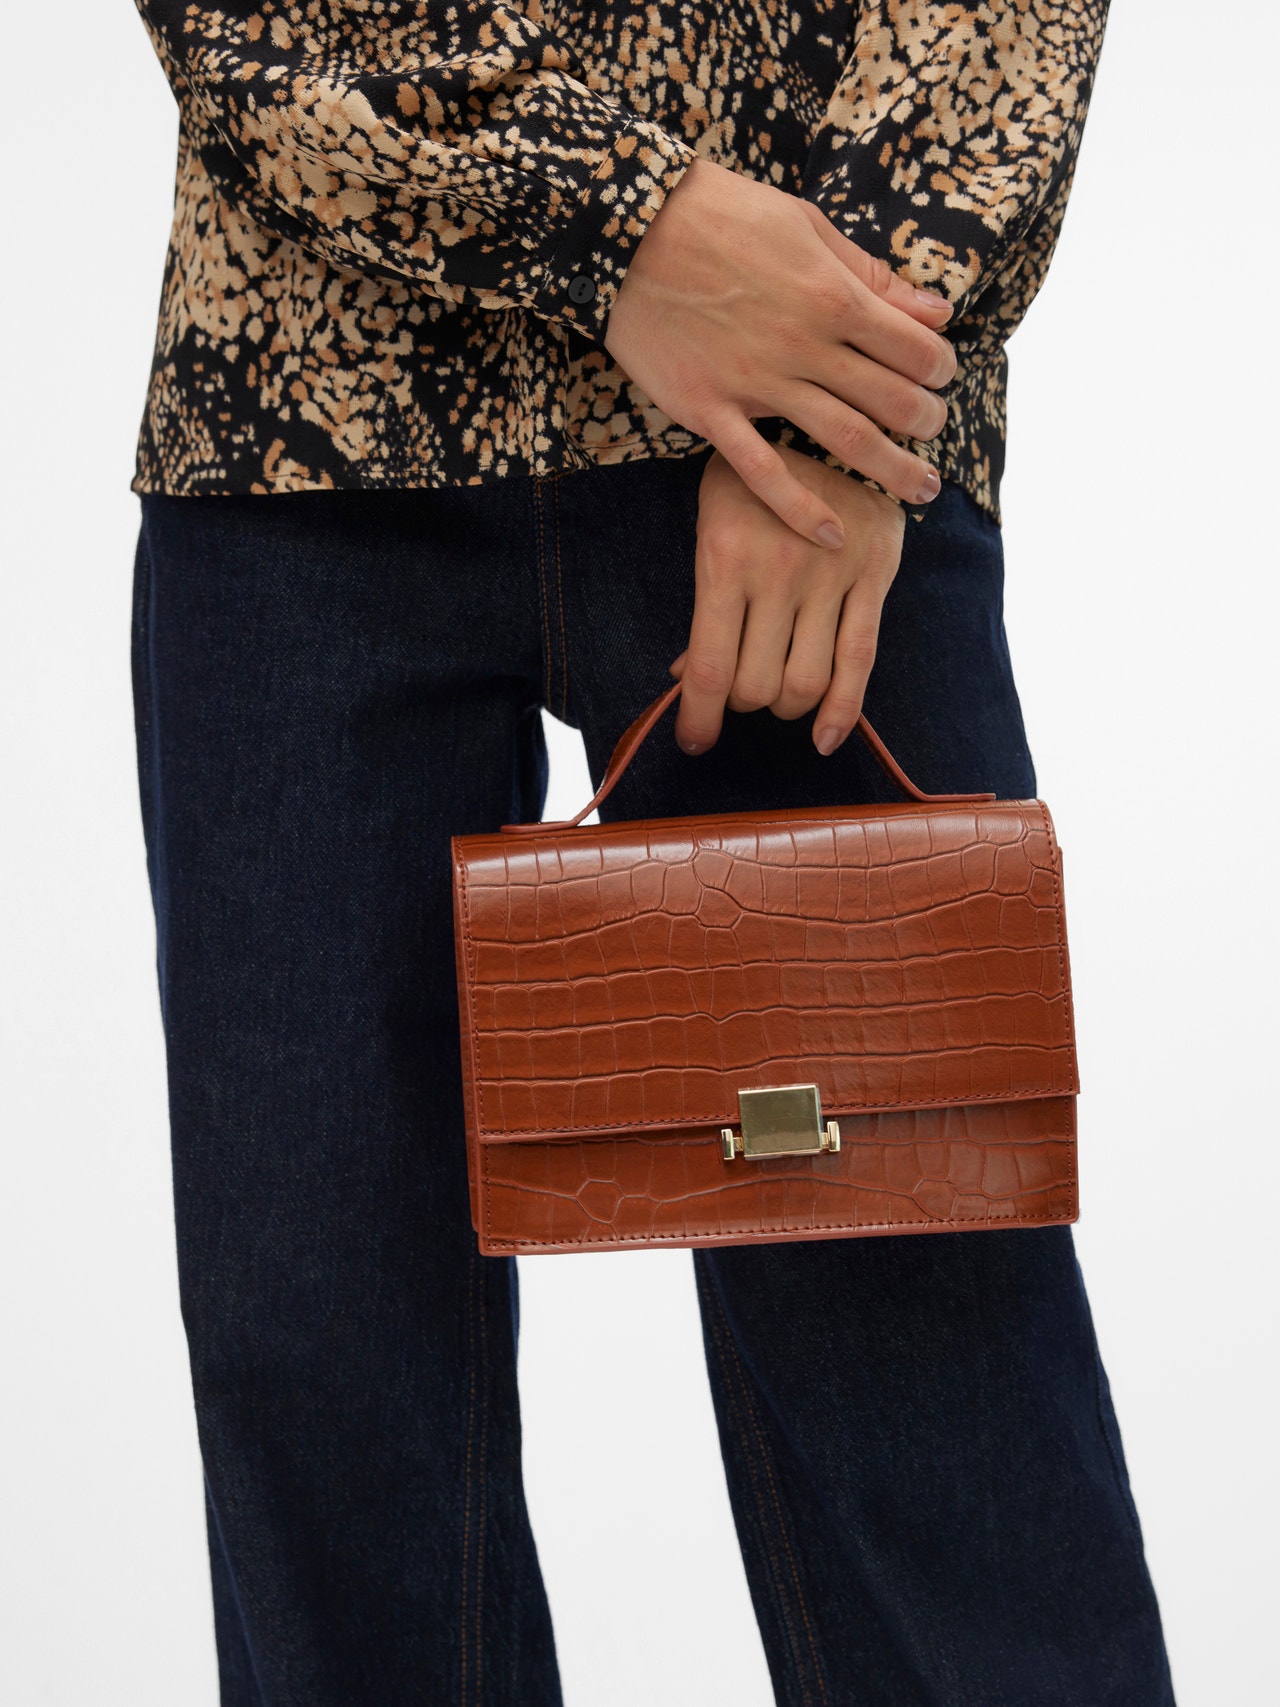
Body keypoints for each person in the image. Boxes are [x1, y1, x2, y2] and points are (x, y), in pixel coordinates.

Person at [127, 1, 1175, 1700]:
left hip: (801, 431)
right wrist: (620, 222)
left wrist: (839, 402)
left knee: (930, 1360)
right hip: (305, 413)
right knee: (319, 1368)